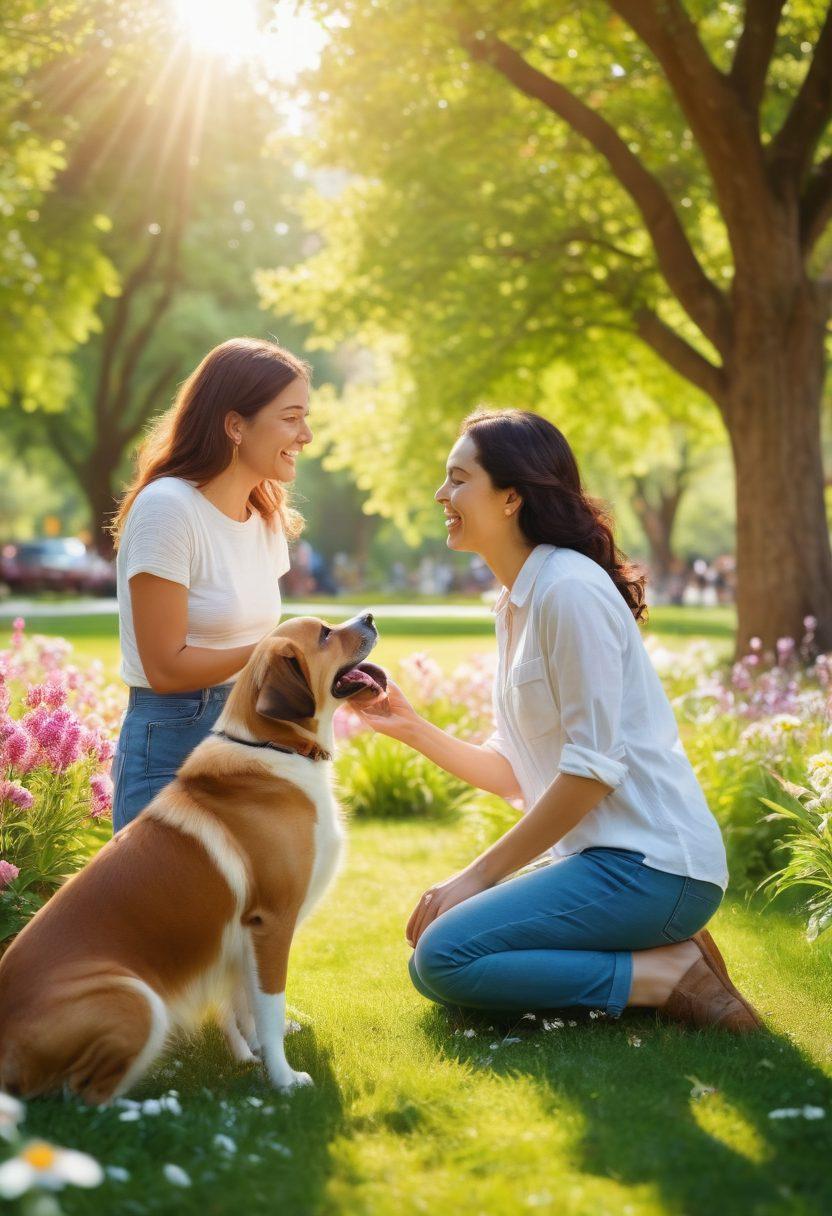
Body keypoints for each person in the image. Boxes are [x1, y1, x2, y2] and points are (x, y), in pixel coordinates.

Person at [356, 409, 762, 1032]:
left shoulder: (568, 590)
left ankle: (664, 976)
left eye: (458, 479)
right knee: (433, 959)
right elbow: (516, 771)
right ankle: (653, 963)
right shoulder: (517, 601)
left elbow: (592, 774)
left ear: (512, 497)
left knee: (445, 958)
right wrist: (410, 725)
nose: (443, 494)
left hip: (655, 869)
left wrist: (475, 877)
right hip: (605, 863)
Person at [108, 337, 313, 832]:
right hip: (173, 740)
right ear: (235, 425)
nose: (306, 434)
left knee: (243, 910)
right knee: (166, 910)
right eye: (290, 417)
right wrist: (276, 650)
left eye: (306, 417)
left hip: (250, 734)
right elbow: (165, 667)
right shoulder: (168, 509)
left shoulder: (265, 514)